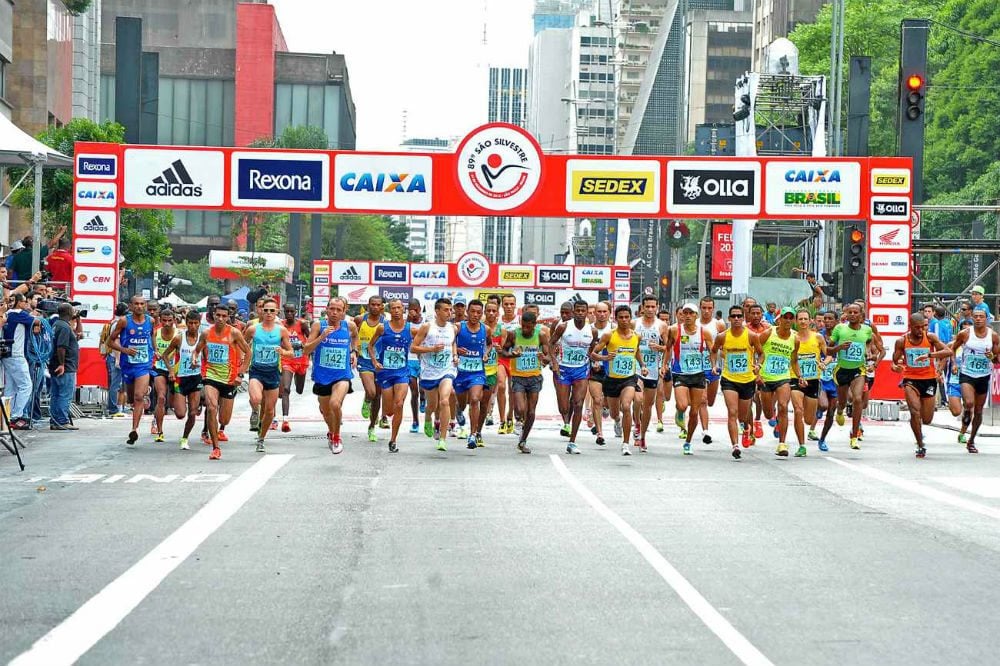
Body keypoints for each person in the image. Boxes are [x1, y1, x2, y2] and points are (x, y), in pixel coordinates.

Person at [194, 303, 252, 460]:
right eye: (217, 315)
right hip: (210, 376)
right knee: (212, 407)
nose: (220, 318)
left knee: (224, 419)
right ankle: (215, 447)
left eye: (224, 316)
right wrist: (194, 360)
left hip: (229, 379)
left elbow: (248, 352)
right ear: (213, 315)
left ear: (228, 317)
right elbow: (197, 350)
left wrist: (240, 374)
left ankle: (219, 428)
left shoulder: (234, 333)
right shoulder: (206, 333)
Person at [822, 303, 882, 451]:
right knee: (841, 402)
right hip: (841, 370)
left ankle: (854, 436)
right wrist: (838, 348)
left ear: (861, 315)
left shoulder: (867, 330)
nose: (853, 315)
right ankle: (841, 410)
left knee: (857, 399)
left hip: (858, 370)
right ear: (846, 314)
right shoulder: (839, 329)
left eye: (856, 312)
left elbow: (870, 345)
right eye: (850, 312)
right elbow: (828, 350)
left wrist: (869, 354)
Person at [891, 313, 952, 458]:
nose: (920, 331)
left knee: (927, 419)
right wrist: (896, 367)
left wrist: (929, 356)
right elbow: (894, 362)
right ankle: (920, 444)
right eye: (917, 328)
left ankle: (918, 431)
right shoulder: (901, 341)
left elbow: (948, 351)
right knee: (914, 411)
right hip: (910, 379)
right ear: (910, 327)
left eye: (922, 327)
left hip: (928, 379)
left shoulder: (930, 337)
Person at [303, 298, 358, 454]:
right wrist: (321, 338)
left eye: (338, 310)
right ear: (326, 309)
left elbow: (355, 336)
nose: (334, 313)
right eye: (332, 309)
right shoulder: (318, 325)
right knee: (326, 411)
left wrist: (354, 351)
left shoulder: (349, 326)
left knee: (335, 404)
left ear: (344, 312)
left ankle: (337, 437)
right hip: (322, 376)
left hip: (342, 374)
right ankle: (331, 431)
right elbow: (306, 350)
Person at [710, 305, 764, 459]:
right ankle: (735, 445)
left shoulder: (752, 336)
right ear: (729, 319)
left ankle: (746, 426)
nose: (736, 319)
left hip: (747, 380)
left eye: (739, 316)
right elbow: (713, 351)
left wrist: (758, 365)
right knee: (732, 412)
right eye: (733, 316)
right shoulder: (722, 336)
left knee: (742, 415)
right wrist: (714, 365)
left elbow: (761, 354)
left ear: (743, 318)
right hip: (729, 380)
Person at [592, 305, 646, 456]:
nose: (624, 320)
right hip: (611, 380)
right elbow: (593, 353)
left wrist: (642, 365)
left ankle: (625, 443)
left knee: (627, 405)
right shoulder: (609, 335)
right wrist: (604, 358)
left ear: (630, 318)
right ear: (616, 319)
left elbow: (637, 352)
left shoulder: (636, 336)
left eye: (626, 317)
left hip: (629, 379)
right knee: (615, 413)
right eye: (621, 317)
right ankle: (617, 420)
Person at [243, 298, 294, 453]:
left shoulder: (281, 330)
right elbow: (242, 345)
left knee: (270, 411)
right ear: (261, 311)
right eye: (266, 310)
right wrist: (242, 362)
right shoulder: (253, 329)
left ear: (277, 312)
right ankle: (254, 412)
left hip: (272, 372)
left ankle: (261, 438)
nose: (269, 313)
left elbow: (291, 352)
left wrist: (282, 352)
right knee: (256, 399)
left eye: (272, 311)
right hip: (256, 370)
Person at [107, 294, 156, 445]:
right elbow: (110, 341)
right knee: (130, 399)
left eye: (142, 304)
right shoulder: (124, 321)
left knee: (138, 396)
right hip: (128, 364)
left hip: (144, 364)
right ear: (131, 305)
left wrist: (155, 350)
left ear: (145, 306)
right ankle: (139, 398)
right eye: (136, 304)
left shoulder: (151, 321)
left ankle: (134, 429)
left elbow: (152, 337)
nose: (139, 306)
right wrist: (124, 350)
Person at [411, 298, 458, 452]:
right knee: (432, 405)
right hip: (429, 372)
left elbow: (452, 343)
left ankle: (443, 439)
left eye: (450, 310)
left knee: (444, 400)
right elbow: (413, 348)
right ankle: (427, 417)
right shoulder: (427, 327)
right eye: (446, 310)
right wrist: (431, 349)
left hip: (447, 370)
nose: (449, 313)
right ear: (437, 311)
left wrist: (455, 355)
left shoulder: (453, 328)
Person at [502, 310, 551, 454]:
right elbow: (503, 351)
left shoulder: (540, 335)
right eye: (523, 326)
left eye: (528, 327)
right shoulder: (514, 334)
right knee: (520, 408)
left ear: (534, 325)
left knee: (531, 412)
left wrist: (544, 357)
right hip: (518, 377)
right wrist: (512, 354)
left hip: (534, 377)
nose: (525, 329)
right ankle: (519, 423)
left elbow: (548, 357)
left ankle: (523, 439)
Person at [950, 308, 999, 454]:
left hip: (983, 376)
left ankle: (971, 440)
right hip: (967, 374)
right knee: (970, 403)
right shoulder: (965, 334)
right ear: (972, 317)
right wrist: (954, 364)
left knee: (978, 411)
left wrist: (991, 356)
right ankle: (966, 412)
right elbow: (952, 349)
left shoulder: (994, 336)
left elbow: (997, 359)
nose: (978, 319)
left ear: (986, 319)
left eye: (981, 317)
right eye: (976, 316)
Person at [549, 300, 595, 454]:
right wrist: (554, 362)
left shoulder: (592, 331)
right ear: (574, 312)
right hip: (563, 369)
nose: (581, 313)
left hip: (581, 371)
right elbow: (551, 343)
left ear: (587, 312)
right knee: (564, 407)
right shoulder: (563, 326)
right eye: (578, 310)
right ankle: (566, 414)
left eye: (583, 311)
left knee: (578, 404)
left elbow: (593, 346)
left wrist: (591, 359)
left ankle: (573, 441)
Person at [368, 299, 414, 453]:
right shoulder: (382, 328)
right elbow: (370, 345)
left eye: (399, 308)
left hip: (402, 372)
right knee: (389, 411)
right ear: (389, 310)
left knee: (399, 403)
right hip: (386, 372)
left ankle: (393, 439)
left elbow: (422, 342)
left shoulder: (410, 329)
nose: (396, 311)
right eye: (393, 308)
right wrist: (375, 361)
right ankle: (385, 417)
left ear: (403, 310)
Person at [667, 303, 711, 455]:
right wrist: (664, 365)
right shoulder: (674, 330)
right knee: (683, 404)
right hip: (680, 373)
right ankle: (679, 412)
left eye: (690, 313)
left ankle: (688, 441)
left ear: (696, 316)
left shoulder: (703, 332)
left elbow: (712, 351)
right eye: (684, 313)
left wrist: (713, 366)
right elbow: (668, 348)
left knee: (694, 412)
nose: (687, 316)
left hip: (698, 374)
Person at [161, 310, 205, 449]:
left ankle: (185, 438)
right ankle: (188, 402)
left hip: (195, 378)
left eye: (195, 323)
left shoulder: (203, 339)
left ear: (199, 324)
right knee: (180, 414)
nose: (193, 326)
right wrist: (171, 370)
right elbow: (165, 356)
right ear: (186, 323)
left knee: (192, 412)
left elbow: (207, 359)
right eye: (190, 323)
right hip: (180, 379)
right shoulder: (179, 338)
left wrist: (204, 372)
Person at [452, 299, 490, 450]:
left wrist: (486, 354)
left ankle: (473, 434)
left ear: (482, 314)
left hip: (477, 372)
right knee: (462, 404)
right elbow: (449, 341)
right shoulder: (458, 327)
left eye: (479, 313)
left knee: (475, 399)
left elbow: (490, 343)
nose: (475, 315)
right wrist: (456, 351)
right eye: (472, 312)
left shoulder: (485, 329)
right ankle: (457, 408)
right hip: (460, 373)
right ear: (467, 312)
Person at [789, 309, 828, 455]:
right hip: (796, 378)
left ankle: (808, 422)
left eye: (806, 319)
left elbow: (828, 354)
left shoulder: (818, 337)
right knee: (798, 411)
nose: (803, 322)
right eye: (800, 319)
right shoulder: (792, 338)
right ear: (796, 321)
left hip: (813, 380)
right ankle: (802, 446)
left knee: (808, 419)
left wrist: (825, 363)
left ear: (810, 320)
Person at [634, 295, 669, 452]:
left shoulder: (662, 325)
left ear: (657, 307)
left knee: (648, 405)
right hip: (636, 367)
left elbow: (669, 348)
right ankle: (636, 424)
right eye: (647, 306)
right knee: (637, 398)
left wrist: (660, 350)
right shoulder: (634, 324)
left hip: (653, 370)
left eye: (653, 307)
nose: (650, 310)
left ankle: (642, 436)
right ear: (642, 307)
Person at [355, 295, 387, 442]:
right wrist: (353, 350)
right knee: (372, 392)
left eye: (377, 305)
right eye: (372, 304)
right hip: (365, 361)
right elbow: (352, 335)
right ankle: (367, 400)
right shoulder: (360, 319)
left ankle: (372, 426)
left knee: (378, 396)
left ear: (382, 307)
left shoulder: (385, 323)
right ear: (368, 305)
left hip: (380, 362)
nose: (375, 307)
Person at [698, 296, 726, 445]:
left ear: (713, 309)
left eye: (710, 308)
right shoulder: (693, 324)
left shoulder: (719, 325)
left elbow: (724, 347)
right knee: (702, 400)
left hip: (713, 368)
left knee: (710, 402)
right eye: (704, 308)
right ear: (700, 308)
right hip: (697, 368)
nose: (707, 311)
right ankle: (705, 431)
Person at [48, 303, 80, 430]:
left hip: (56, 364)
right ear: (69, 312)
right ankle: (62, 420)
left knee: (56, 394)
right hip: (65, 366)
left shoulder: (57, 324)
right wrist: (62, 364)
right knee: (65, 394)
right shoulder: (65, 327)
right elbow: (61, 347)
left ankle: (55, 420)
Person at [279, 302, 310, 432]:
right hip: (287, 360)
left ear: (296, 312)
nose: (290, 314)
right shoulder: (280, 326)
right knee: (285, 389)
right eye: (287, 312)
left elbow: (311, 340)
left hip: (301, 361)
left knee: (299, 390)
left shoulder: (302, 324)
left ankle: (299, 380)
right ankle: (285, 420)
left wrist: (302, 345)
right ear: (284, 312)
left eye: (292, 312)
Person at [586, 301, 614, 446]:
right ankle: (600, 434)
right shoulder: (589, 329)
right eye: (599, 312)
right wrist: (593, 359)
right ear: (594, 313)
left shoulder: (615, 329)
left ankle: (610, 411)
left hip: (612, 371)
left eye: (605, 312)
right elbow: (585, 349)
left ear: (610, 313)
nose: (602, 315)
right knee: (596, 399)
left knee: (609, 404)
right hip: (594, 370)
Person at [150, 308, 180, 443]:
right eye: (164, 321)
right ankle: (159, 429)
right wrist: (155, 352)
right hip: (160, 368)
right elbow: (154, 349)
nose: (167, 324)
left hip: (176, 370)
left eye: (169, 321)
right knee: (161, 397)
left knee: (174, 405)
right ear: (160, 320)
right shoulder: (156, 332)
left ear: (174, 320)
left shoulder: (179, 334)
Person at [496, 293, 519, 433]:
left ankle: (510, 418)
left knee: (513, 390)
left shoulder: (521, 320)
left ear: (515, 305)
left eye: (511, 304)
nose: (509, 307)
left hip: (515, 359)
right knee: (501, 386)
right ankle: (502, 420)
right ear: (502, 305)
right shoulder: (497, 320)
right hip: (501, 358)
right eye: (506, 304)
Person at [406, 299, 424, 433]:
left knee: (423, 388)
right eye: (410, 310)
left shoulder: (426, 323)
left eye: (416, 310)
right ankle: (415, 421)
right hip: (409, 360)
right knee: (414, 392)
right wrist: (407, 320)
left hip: (424, 359)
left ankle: (424, 398)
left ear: (419, 309)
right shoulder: (405, 323)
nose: (413, 312)